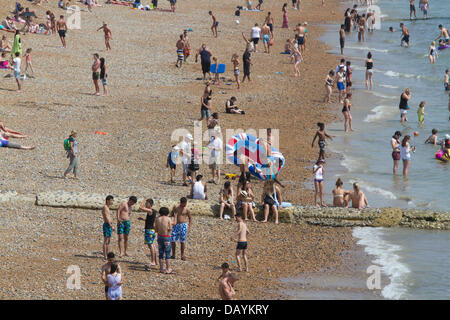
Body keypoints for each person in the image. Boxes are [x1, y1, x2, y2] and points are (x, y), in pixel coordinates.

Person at [137, 199, 158, 270]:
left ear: (151, 204)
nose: (146, 204)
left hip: (149, 230)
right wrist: (143, 219)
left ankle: (153, 261)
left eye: (147, 203)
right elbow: (150, 220)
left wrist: (143, 201)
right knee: (153, 245)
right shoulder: (153, 211)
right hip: (151, 229)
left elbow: (140, 208)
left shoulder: (150, 210)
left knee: (151, 245)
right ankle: (155, 261)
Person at [155, 207, 173, 274]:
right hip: (166, 237)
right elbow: (170, 228)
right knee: (167, 253)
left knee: (161, 253)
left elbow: (156, 230)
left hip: (160, 237)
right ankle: (168, 268)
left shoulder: (157, 219)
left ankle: (161, 268)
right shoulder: (168, 219)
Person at [101, 195, 114, 260]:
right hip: (107, 225)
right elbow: (106, 217)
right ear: (107, 200)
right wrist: (111, 225)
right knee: (106, 241)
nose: (112, 202)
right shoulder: (105, 207)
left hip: (109, 225)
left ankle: (108, 254)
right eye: (111, 200)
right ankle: (105, 256)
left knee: (108, 241)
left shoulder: (108, 208)